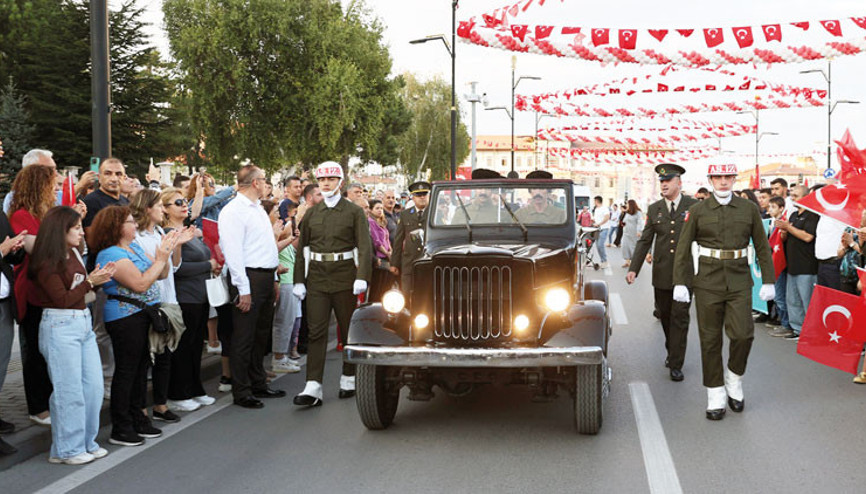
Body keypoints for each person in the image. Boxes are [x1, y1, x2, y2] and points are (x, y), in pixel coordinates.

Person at [672, 163, 774, 420]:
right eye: (718, 177)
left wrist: (769, 281)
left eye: (728, 177)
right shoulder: (697, 210)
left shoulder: (749, 209)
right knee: (710, 339)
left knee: (743, 335)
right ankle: (715, 393)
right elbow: (683, 248)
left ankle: (734, 376)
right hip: (707, 280)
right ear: (711, 179)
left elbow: (762, 247)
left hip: (740, 280)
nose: (723, 182)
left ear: (734, 179)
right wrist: (680, 283)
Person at [29, 206, 116, 464]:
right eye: (76, 228)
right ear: (60, 230)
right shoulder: (46, 261)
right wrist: (91, 282)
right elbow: (62, 299)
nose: (81, 232)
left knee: (93, 387)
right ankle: (68, 449)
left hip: (82, 322)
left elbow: (80, 291)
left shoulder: (75, 253)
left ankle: (84, 442)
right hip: (59, 325)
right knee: (69, 391)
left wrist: (95, 280)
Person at [91, 206, 176, 446]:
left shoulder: (133, 247)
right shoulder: (110, 254)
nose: (135, 225)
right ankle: (121, 426)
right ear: (116, 227)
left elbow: (160, 274)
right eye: (129, 222)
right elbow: (139, 284)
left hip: (143, 315)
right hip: (124, 318)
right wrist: (159, 260)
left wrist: (165, 254)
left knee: (141, 370)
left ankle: (138, 418)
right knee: (127, 371)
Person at [292, 161, 372, 407]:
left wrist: (362, 277)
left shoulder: (353, 212)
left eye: (331, 179)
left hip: (345, 276)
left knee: (348, 329)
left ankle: (348, 376)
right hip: (316, 276)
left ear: (340, 182)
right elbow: (302, 249)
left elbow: (365, 247)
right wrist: (298, 280)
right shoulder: (313, 213)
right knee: (316, 331)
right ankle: (313, 386)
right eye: (322, 180)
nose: (326, 183)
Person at [218, 165, 283, 410]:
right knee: (243, 336)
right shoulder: (233, 211)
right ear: (255, 183)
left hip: (265, 276)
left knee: (260, 335)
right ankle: (241, 390)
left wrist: (274, 278)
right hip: (248, 277)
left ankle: (258, 382)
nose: (267, 185)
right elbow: (233, 252)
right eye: (265, 180)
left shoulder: (257, 208)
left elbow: (264, 246)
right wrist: (243, 289)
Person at [627, 164, 697, 382]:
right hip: (662, 273)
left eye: (668, 181)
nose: (664, 184)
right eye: (661, 181)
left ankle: (676, 362)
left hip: (685, 273)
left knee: (680, 317)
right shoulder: (655, 208)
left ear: (679, 182)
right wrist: (633, 268)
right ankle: (671, 349)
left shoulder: (693, 206)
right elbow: (645, 239)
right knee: (665, 316)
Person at [161, 188, 221, 413]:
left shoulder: (188, 231)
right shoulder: (169, 233)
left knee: (196, 346)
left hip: (200, 295)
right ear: (166, 210)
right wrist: (208, 266)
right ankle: (178, 393)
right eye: (177, 202)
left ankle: (195, 388)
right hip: (184, 297)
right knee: (184, 348)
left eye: (184, 201)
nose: (184, 205)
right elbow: (175, 269)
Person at [9, 164, 59, 426]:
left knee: (49, 349)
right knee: (35, 351)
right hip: (32, 289)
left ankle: (50, 399)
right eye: (52, 184)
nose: (56, 189)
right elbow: (36, 248)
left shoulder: (47, 214)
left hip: (51, 289)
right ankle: (37, 406)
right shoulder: (20, 215)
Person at [774, 185, 818, 341]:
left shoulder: (812, 216)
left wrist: (788, 228)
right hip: (792, 265)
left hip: (807, 266)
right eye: (791, 195)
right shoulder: (792, 215)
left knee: (807, 301)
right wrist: (784, 232)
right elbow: (786, 238)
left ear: (806, 197)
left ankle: (810, 333)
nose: (792, 198)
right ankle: (797, 329)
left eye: (796, 195)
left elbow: (807, 237)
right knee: (792, 300)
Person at [0, 212, 26, 455]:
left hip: (5, 302)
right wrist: (2, 249)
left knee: (1, 365)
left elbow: (12, 255)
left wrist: (16, 247)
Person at [391, 181, 431, 297]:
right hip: (409, 262)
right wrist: (394, 263)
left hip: (428, 260)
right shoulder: (405, 215)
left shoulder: (435, 213)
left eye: (424, 194)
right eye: (418, 195)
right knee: (407, 295)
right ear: (413, 197)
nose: (422, 197)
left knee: (426, 295)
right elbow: (398, 240)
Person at [765, 197, 794, 338]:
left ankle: (786, 324)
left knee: (781, 295)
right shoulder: (770, 222)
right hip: (772, 261)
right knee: (777, 296)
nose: (769, 209)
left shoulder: (782, 223)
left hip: (780, 263)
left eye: (773, 207)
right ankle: (784, 322)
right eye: (769, 207)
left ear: (781, 208)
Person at [368, 199, 395, 302]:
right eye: (377, 208)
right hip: (380, 258)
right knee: (378, 287)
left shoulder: (382, 221)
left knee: (385, 286)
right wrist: (387, 253)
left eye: (381, 208)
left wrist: (391, 251)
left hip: (387, 257)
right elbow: (377, 242)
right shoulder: (371, 222)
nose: (380, 210)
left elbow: (387, 239)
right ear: (371, 210)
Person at [620, 199, 643, 268]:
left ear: (631, 205)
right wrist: (623, 223)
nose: (626, 205)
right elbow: (624, 221)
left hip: (634, 233)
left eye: (627, 204)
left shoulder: (638, 212)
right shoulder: (627, 212)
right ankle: (627, 261)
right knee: (625, 246)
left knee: (633, 247)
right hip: (626, 232)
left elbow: (640, 222)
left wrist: (639, 231)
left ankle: (634, 263)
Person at [591, 196, 610, 269]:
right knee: (597, 246)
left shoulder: (604, 208)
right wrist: (593, 221)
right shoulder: (596, 209)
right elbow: (596, 219)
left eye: (594, 201)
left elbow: (607, 217)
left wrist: (599, 224)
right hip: (597, 229)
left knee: (600, 245)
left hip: (604, 229)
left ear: (597, 201)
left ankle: (605, 261)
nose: (594, 202)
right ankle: (602, 261)